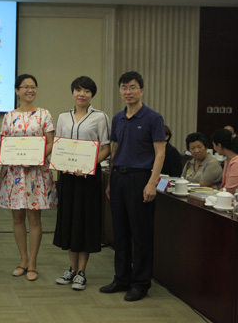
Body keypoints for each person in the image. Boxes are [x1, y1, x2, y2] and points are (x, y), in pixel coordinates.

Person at [99, 71, 166, 302]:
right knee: (120, 232)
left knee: (141, 234)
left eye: (132, 87)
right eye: (124, 87)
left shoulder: (153, 118)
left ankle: (140, 283)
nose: (128, 92)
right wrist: (111, 180)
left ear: (142, 90)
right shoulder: (118, 118)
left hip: (140, 179)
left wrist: (152, 183)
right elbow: (115, 149)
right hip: (118, 177)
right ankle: (121, 278)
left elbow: (160, 153)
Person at [53, 76, 111, 291]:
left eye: (87, 91)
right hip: (67, 177)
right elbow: (59, 146)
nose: (82, 94)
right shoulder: (63, 117)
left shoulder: (100, 117)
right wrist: (62, 164)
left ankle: (81, 272)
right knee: (69, 220)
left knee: (85, 221)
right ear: (73, 92)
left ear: (92, 95)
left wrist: (88, 165)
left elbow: (106, 148)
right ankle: (71, 268)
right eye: (78, 90)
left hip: (89, 178)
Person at [0, 74, 56, 282]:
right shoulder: (8, 116)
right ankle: (22, 260)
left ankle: (33, 262)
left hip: (36, 173)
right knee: (17, 218)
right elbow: (4, 144)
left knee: (34, 219)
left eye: (33, 86)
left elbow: (50, 143)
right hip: (14, 174)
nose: (30, 90)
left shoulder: (44, 115)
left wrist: (34, 158)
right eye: (25, 87)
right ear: (17, 91)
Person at [211, 129, 238, 196]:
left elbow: (230, 188)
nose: (214, 148)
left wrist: (214, 194)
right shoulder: (228, 159)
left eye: (214, 145)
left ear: (219, 146)